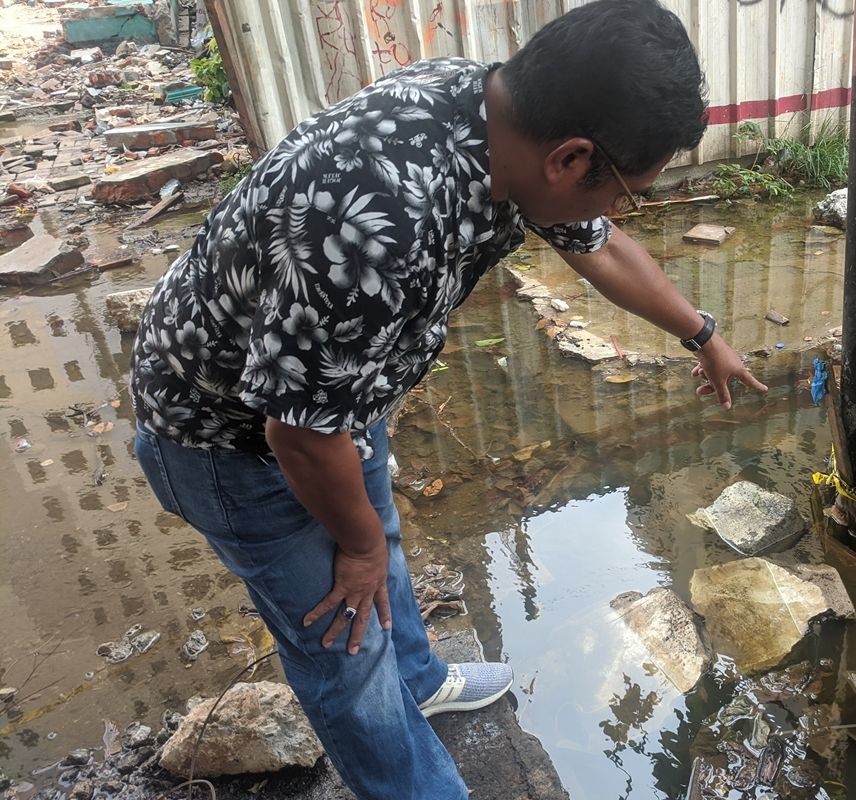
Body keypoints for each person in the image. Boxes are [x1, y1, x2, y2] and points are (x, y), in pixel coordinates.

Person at [130, 0, 766, 796]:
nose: (615, 211)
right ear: (570, 161)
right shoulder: (381, 217)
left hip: (332, 399)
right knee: (345, 647)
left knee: (376, 537)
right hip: (227, 435)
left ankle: (423, 680)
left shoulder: (494, 113)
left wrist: (701, 333)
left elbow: (598, 248)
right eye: (625, 192)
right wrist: (354, 547)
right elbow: (295, 431)